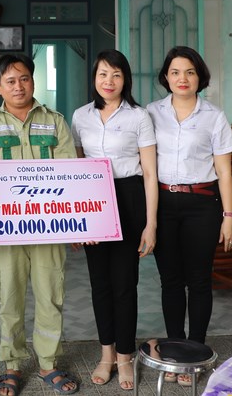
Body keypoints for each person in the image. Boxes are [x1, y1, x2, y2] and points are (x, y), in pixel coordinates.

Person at [0, 53, 80, 396]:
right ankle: (12, 365)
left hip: (49, 227)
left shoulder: (55, 122)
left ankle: (48, 362)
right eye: (10, 81)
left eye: (24, 79)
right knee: (10, 298)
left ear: (33, 81)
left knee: (51, 295)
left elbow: (69, 174)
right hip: (8, 230)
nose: (18, 86)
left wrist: (78, 226)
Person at [147, 46, 232, 385]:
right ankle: (174, 350)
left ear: (200, 77)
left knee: (199, 280)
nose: (182, 78)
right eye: (175, 72)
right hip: (163, 204)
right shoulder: (151, 113)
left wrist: (228, 216)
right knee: (170, 281)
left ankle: (195, 352)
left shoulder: (214, 116)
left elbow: (224, 171)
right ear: (166, 77)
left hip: (202, 204)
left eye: (189, 72)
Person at [70, 50, 158, 391]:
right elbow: (76, 169)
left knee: (124, 283)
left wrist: (151, 224)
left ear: (126, 79)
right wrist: (77, 220)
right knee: (100, 283)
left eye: (116, 74)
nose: (109, 81)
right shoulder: (81, 116)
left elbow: (149, 173)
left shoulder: (139, 116)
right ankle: (106, 354)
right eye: (103, 74)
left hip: (128, 197)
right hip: (93, 198)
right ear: (94, 77)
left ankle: (124, 356)